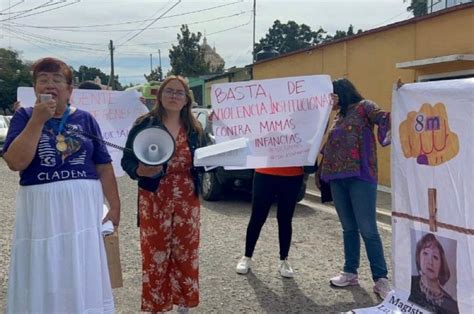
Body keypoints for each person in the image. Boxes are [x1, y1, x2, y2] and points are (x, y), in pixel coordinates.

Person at [3, 57, 120, 313]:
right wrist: (37, 121)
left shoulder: (86, 120)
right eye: (43, 80)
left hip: (82, 212)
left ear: (69, 90)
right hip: (43, 213)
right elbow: (15, 162)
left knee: (81, 265)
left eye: (57, 80)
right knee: (45, 265)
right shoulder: (23, 117)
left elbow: (103, 164)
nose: (50, 85)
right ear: (35, 88)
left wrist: (115, 205)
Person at [121, 75, 204, 312]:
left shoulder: (195, 127)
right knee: (155, 254)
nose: (174, 96)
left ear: (187, 98)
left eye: (179, 92)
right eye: (169, 91)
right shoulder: (144, 124)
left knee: (186, 252)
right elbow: (127, 160)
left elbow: (206, 159)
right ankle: (156, 305)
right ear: (160, 95)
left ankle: (182, 303)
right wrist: (139, 170)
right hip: (154, 197)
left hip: (187, 200)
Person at [317, 78, 393, 299]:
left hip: (361, 177)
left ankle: (381, 278)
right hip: (337, 179)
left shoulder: (364, 107)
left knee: (368, 228)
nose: (330, 99)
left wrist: (400, 98)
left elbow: (384, 118)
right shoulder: (337, 117)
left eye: (332, 95)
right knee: (348, 228)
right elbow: (326, 143)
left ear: (341, 92)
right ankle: (350, 272)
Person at [235, 166, 305, 278]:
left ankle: (284, 259)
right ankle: (247, 256)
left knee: (285, 219)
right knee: (257, 217)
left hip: (292, 173)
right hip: (265, 171)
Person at [409, 233, 459, 313]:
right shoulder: (408, 283)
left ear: (441, 265)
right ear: (419, 257)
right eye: (425, 253)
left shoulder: (452, 306)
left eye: (435, 257)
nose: (430, 262)